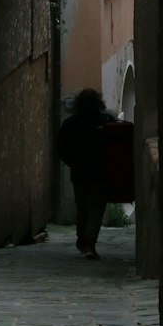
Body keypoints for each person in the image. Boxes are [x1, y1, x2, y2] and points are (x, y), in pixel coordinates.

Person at [56, 88, 116, 259]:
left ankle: (82, 241)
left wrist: (72, 163)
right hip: (100, 173)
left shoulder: (71, 123)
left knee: (82, 208)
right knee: (96, 209)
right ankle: (89, 243)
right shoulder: (106, 121)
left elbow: (61, 147)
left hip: (80, 173)